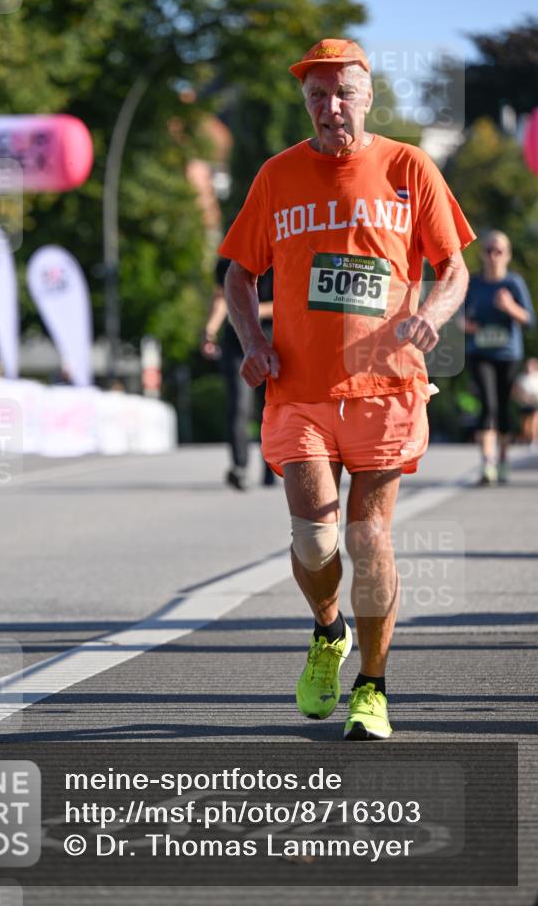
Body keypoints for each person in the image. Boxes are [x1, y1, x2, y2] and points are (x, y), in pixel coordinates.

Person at [219, 38, 474, 740]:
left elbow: (453, 267)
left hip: (386, 389)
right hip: (298, 390)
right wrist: (253, 343)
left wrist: (430, 316)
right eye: (317, 96)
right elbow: (239, 273)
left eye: (343, 94)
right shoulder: (277, 175)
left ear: (367, 97)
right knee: (314, 541)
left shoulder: (408, 167)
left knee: (368, 537)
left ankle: (372, 686)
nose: (330, 107)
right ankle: (328, 630)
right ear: (306, 102)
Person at [464, 231, 535, 483]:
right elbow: (459, 316)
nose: (494, 256)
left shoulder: (514, 283)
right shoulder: (473, 283)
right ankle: (488, 463)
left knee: (503, 409)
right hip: (479, 352)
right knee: (488, 405)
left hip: (508, 354)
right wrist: (465, 325)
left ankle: (503, 459)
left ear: (507, 255)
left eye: (499, 251)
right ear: (482, 255)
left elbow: (529, 320)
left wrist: (509, 307)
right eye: (489, 251)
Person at [201, 257, 275, 489]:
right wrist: (209, 331)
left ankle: (271, 466)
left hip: (273, 342)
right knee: (239, 406)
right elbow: (222, 298)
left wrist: (247, 307)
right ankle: (239, 467)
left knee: (269, 407)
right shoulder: (226, 261)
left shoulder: (279, 256)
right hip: (237, 343)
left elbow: (287, 303)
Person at [512, 358, 538, 447]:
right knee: (525, 423)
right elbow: (515, 391)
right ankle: (527, 438)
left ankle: (534, 439)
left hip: (535, 403)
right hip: (523, 403)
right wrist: (522, 397)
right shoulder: (521, 378)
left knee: (534, 421)